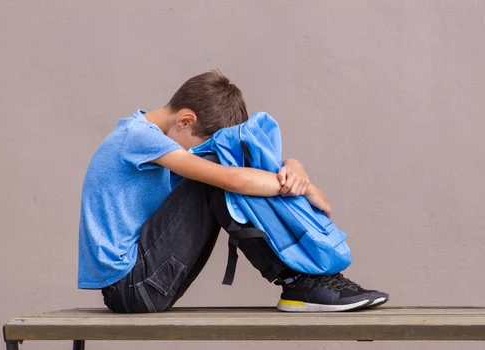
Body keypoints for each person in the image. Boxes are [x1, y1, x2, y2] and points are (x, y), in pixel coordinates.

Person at [77, 70, 389, 313]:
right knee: (216, 171)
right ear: (186, 120)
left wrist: (294, 167)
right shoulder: (139, 137)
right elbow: (234, 179)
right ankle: (299, 281)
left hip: (143, 284)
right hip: (133, 287)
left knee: (225, 167)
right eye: (200, 144)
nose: (197, 153)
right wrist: (304, 189)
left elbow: (247, 172)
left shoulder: (154, 136)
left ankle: (307, 279)